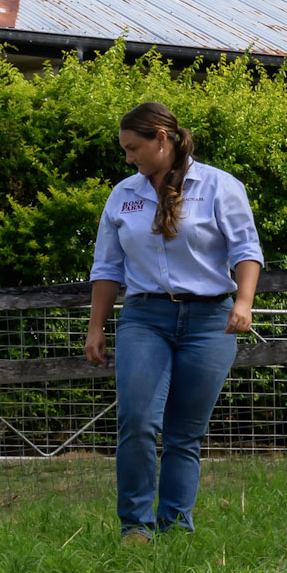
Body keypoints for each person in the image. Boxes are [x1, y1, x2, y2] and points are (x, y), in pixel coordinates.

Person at [83, 101, 264, 543]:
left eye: (133, 148)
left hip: (210, 321)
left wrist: (244, 302)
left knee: (185, 431)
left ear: (161, 140)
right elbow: (107, 267)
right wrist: (95, 327)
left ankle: (176, 526)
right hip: (145, 317)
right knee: (139, 420)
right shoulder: (123, 195)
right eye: (125, 151)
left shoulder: (220, 186)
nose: (128, 158)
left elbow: (246, 249)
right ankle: (135, 526)